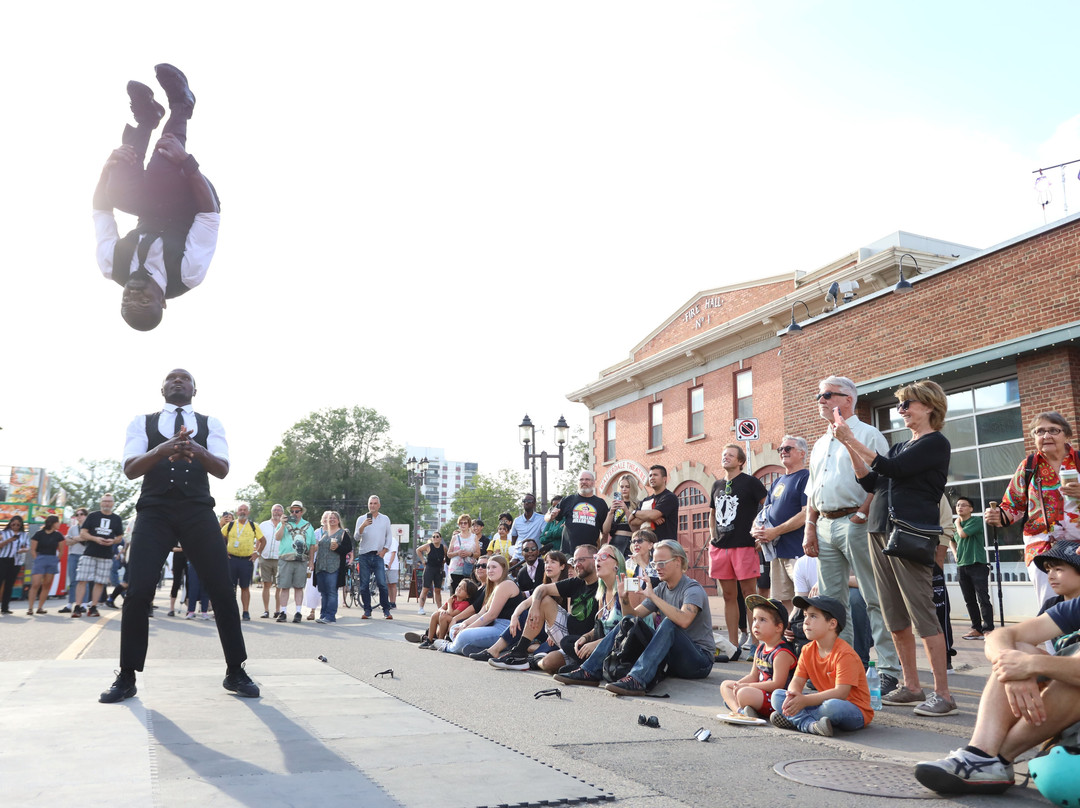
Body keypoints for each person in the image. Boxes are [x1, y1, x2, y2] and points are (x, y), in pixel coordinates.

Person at [99, 368, 257, 703]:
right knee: (139, 589)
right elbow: (130, 469)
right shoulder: (141, 422)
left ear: (195, 389)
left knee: (221, 588)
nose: (178, 380)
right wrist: (163, 450)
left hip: (198, 509)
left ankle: (236, 669)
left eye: (184, 378)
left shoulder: (210, 422)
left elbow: (222, 469)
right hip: (154, 511)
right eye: (172, 377)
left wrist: (195, 450)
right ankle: (127, 675)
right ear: (162, 388)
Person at [914, 545, 1080, 795]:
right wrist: (1012, 664)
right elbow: (1001, 635)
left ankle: (996, 759)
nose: (1051, 575)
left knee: (1065, 671)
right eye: (1049, 570)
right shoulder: (1067, 607)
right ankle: (981, 754)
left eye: (1059, 569)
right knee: (1021, 648)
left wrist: (1031, 665)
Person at [833, 379, 955, 717]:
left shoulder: (935, 443)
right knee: (893, 615)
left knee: (922, 614)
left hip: (910, 534)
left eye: (907, 404)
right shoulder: (902, 445)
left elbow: (892, 469)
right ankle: (912, 686)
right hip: (880, 531)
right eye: (900, 405)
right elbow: (873, 481)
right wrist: (847, 447)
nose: (901, 410)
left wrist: (852, 439)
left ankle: (943, 694)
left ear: (929, 406)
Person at [92, 65, 219, 331]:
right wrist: (186, 162)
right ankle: (182, 104)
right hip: (195, 201)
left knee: (114, 190)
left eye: (127, 298)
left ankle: (148, 118)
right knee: (164, 165)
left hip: (150, 203)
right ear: (162, 302)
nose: (134, 292)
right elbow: (209, 216)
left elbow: (101, 210)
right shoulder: (187, 273)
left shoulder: (111, 264)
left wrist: (107, 167)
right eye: (144, 299)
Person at [804, 375, 901, 698]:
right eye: (818, 394)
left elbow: (882, 478)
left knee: (874, 596)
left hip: (857, 520)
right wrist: (809, 526)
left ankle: (888, 670)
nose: (820, 399)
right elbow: (813, 490)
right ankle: (839, 668)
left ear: (847, 399)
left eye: (826, 394)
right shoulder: (819, 443)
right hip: (826, 523)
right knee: (831, 604)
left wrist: (862, 512)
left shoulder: (868, 434)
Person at [556, 540, 714, 695]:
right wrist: (624, 599)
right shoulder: (660, 589)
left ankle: (637, 679)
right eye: (654, 563)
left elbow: (684, 620)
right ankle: (589, 671)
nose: (657, 568)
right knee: (628, 621)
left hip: (698, 661)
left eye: (661, 563)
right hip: (672, 658)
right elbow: (632, 618)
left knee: (668, 624)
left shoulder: (692, 589)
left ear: (678, 561)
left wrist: (653, 596)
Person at [985, 412, 1080, 609]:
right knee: (1049, 605)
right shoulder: (1029, 466)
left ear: (1067, 435)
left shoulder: (1078, 461)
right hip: (1043, 547)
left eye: (1053, 430)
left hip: (1078, 545)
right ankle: (1053, 641)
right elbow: (1013, 505)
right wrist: (999, 516)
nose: (1046, 436)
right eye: (1040, 431)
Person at [769, 594, 873, 736]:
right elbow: (797, 681)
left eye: (813, 616)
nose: (805, 621)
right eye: (805, 616)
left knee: (831, 707)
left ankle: (797, 719)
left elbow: (840, 693)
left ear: (832, 624)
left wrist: (804, 701)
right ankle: (811, 725)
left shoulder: (845, 654)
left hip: (853, 710)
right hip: (821, 703)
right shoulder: (807, 650)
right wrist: (792, 695)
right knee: (777, 696)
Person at [492, 545, 599, 673]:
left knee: (549, 663)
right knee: (543, 599)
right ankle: (519, 653)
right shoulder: (576, 582)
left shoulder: (603, 586)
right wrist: (534, 607)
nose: (577, 564)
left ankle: (534, 661)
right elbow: (541, 589)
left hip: (586, 642)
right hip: (567, 636)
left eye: (581, 560)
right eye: (575, 561)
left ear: (595, 559)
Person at [710, 444, 767, 659]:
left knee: (749, 596)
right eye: (724, 454)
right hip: (721, 547)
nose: (726, 457)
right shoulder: (717, 484)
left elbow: (767, 505)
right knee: (728, 596)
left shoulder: (751, 482)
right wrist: (712, 536)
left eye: (731, 455)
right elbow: (713, 513)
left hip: (745, 545)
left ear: (740, 461)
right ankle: (732, 646)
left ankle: (756, 644)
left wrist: (761, 532)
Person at [751, 436, 809, 615]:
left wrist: (775, 531)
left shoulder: (806, 476)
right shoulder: (777, 482)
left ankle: (806, 639)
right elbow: (764, 512)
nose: (783, 452)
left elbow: (806, 513)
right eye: (781, 449)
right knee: (783, 601)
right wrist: (756, 530)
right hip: (777, 553)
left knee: (804, 599)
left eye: (788, 449)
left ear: (801, 453)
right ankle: (792, 639)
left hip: (798, 551)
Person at [719, 595, 797, 719]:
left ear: (779, 627)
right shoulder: (760, 648)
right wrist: (738, 685)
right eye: (754, 619)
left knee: (743, 693)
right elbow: (753, 676)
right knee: (726, 685)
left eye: (762, 620)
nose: (755, 624)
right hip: (758, 692)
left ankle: (742, 705)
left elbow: (777, 684)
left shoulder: (782, 653)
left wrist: (747, 687)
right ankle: (740, 711)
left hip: (776, 698)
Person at [436, 556, 523, 655]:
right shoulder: (493, 587)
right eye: (488, 568)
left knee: (463, 635)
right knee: (454, 628)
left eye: (494, 567)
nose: (490, 570)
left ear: (503, 568)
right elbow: (481, 614)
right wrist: (464, 624)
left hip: (505, 629)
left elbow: (491, 615)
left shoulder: (507, 584)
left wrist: (467, 629)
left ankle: (449, 647)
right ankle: (477, 648)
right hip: (493, 626)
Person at [72, 496, 125, 618]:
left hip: (106, 555)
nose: (107, 503)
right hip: (89, 552)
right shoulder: (93, 516)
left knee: (100, 582)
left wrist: (113, 541)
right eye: (104, 501)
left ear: (113, 504)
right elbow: (83, 533)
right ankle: (77, 607)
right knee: (82, 580)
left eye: (109, 501)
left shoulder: (116, 518)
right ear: (100, 503)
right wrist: (95, 538)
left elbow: (120, 537)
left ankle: (94, 607)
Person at [953, 496, 994, 640]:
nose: (960, 507)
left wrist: (957, 523)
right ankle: (976, 628)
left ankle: (988, 628)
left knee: (983, 598)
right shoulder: (955, 525)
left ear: (971, 508)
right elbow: (952, 539)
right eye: (958, 505)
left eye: (964, 505)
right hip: (962, 565)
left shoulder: (976, 521)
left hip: (977, 564)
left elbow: (962, 534)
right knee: (969, 600)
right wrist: (955, 553)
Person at [354, 495, 394, 620]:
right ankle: (367, 610)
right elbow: (356, 537)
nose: (373, 505)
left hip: (378, 555)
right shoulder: (361, 519)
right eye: (370, 503)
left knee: (382, 583)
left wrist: (384, 551)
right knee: (364, 584)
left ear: (379, 505)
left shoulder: (385, 519)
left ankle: (386, 610)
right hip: (364, 554)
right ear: (368, 505)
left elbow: (389, 536)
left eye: (375, 503)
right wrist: (363, 526)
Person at [275, 501, 316, 623]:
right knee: (284, 586)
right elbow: (277, 537)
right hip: (285, 558)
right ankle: (283, 612)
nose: (294, 513)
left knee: (299, 587)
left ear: (301, 512)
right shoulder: (284, 523)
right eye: (292, 511)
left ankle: (298, 612)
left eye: (297, 511)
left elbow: (312, 545)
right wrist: (282, 524)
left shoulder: (308, 526)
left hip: (301, 560)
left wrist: (311, 562)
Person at [407, 578, 477, 648]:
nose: (459, 589)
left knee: (444, 616)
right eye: (459, 586)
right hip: (446, 621)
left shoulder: (465, 603)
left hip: (455, 623)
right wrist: (442, 611)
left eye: (463, 589)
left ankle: (439, 641)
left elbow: (451, 613)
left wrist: (449, 604)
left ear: (468, 595)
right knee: (435, 614)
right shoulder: (453, 599)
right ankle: (429, 639)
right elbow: (440, 609)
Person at [553, 472, 609, 554]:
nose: (584, 482)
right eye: (581, 479)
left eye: (587, 479)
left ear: (593, 483)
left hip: (589, 554)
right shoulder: (568, 500)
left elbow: (604, 532)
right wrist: (551, 516)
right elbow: (550, 517)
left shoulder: (600, 503)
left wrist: (602, 550)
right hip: (568, 552)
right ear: (578, 483)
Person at [222, 502, 262, 620]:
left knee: (245, 587)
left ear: (248, 512)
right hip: (232, 559)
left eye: (245, 510)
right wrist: (224, 551)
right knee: (230, 587)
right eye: (240, 510)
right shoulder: (230, 525)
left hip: (246, 560)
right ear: (237, 512)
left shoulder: (253, 525)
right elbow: (219, 537)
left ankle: (245, 612)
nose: (242, 512)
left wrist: (257, 553)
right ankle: (231, 612)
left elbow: (263, 540)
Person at [310, 511, 351, 624]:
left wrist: (338, 547)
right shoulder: (324, 533)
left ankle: (330, 616)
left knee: (332, 591)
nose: (332, 520)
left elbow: (348, 548)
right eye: (330, 518)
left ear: (338, 520)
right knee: (323, 592)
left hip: (334, 567)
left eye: (334, 518)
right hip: (321, 566)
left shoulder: (342, 533)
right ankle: (323, 615)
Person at [26, 516, 64, 615]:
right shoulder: (39, 534)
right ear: (52, 523)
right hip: (40, 558)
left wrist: (57, 560)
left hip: (52, 559)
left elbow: (61, 550)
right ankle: (30, 608)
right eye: (57, 522)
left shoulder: (59, 535)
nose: (59, 524)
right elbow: (33, 549)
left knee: (46, 585)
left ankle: (40, 607)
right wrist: (37, 559)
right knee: (35, 584)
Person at [630, 465, 679, 542]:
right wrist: (649, 517)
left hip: (666, 545)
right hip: (647, 545)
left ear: (664, 479)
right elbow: (632, 521)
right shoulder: (645, 500)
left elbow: (653, 515)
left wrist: (635, 512)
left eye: (655, 475)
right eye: (650, 475)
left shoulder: (669, 497)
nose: (652, 478)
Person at [59, 508, 89, 613]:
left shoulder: (89, 528)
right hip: (73, 555)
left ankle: (84, 605)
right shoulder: (72, 528)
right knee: (73, 581)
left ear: (86, 515)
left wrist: (74, 538)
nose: (79, 516)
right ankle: (69, 604)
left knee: (84, 580)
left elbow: (87, 539)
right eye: (77, 515)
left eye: (81, 514)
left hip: (85, 555)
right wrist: (79, 538)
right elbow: (67, 542)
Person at [256, 503, 284, 618]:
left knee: (279, 586)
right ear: (271, 511)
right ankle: (266, 610)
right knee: (266, 584)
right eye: (275, 510)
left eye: (279, 510)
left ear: (282, 513)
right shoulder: (263, 525)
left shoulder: (285, 525)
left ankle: (277, 610)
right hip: (265, 557)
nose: (276, 512)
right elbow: (259, 540)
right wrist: (257, 552)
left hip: (280, 559)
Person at [603, 475, 640, 556]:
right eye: (622, 486)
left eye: (627, 486)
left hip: (631, 541)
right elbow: (605, 530)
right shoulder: (614, 505)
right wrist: (611, 512)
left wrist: (626, 510)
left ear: (632, 488)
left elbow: (636, 530)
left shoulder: (637, 505)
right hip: (615, 541)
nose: (624, 489)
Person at [0, 515, 29, 615]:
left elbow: (28, 547)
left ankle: (5, 607)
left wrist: (23, 550)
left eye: (18, 525)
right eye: (13, 524)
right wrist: (8, 540)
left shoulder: (24, 535)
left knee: (9, 584)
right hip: (3, 559)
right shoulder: (3, 533)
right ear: (10, 523)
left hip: (16, 561)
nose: (15, 526)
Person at [415, 531, 447, 615]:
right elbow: (418, 550)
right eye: (433, 537)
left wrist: (443, 562)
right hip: (429, 568)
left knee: (438, 590)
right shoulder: (428, 546)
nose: (435, 538)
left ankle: (439, 608)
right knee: (425, 588)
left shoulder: (443, 547)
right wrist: (422, 560)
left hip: (438, 570)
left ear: (440, 538)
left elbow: (447, 556)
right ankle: (421, 608)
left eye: (437, 536)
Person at [447, 515, 479, 591]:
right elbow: (448, 554)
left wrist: (470, 554)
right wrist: (457, 553)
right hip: (455, 569)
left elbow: (478, 553)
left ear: (469, 525)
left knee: (467, 592)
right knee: (455, 592)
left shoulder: (474, 537)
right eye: (461, 523)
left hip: (468, 569)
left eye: (465, 523)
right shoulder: (455, 537)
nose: (463, 525)